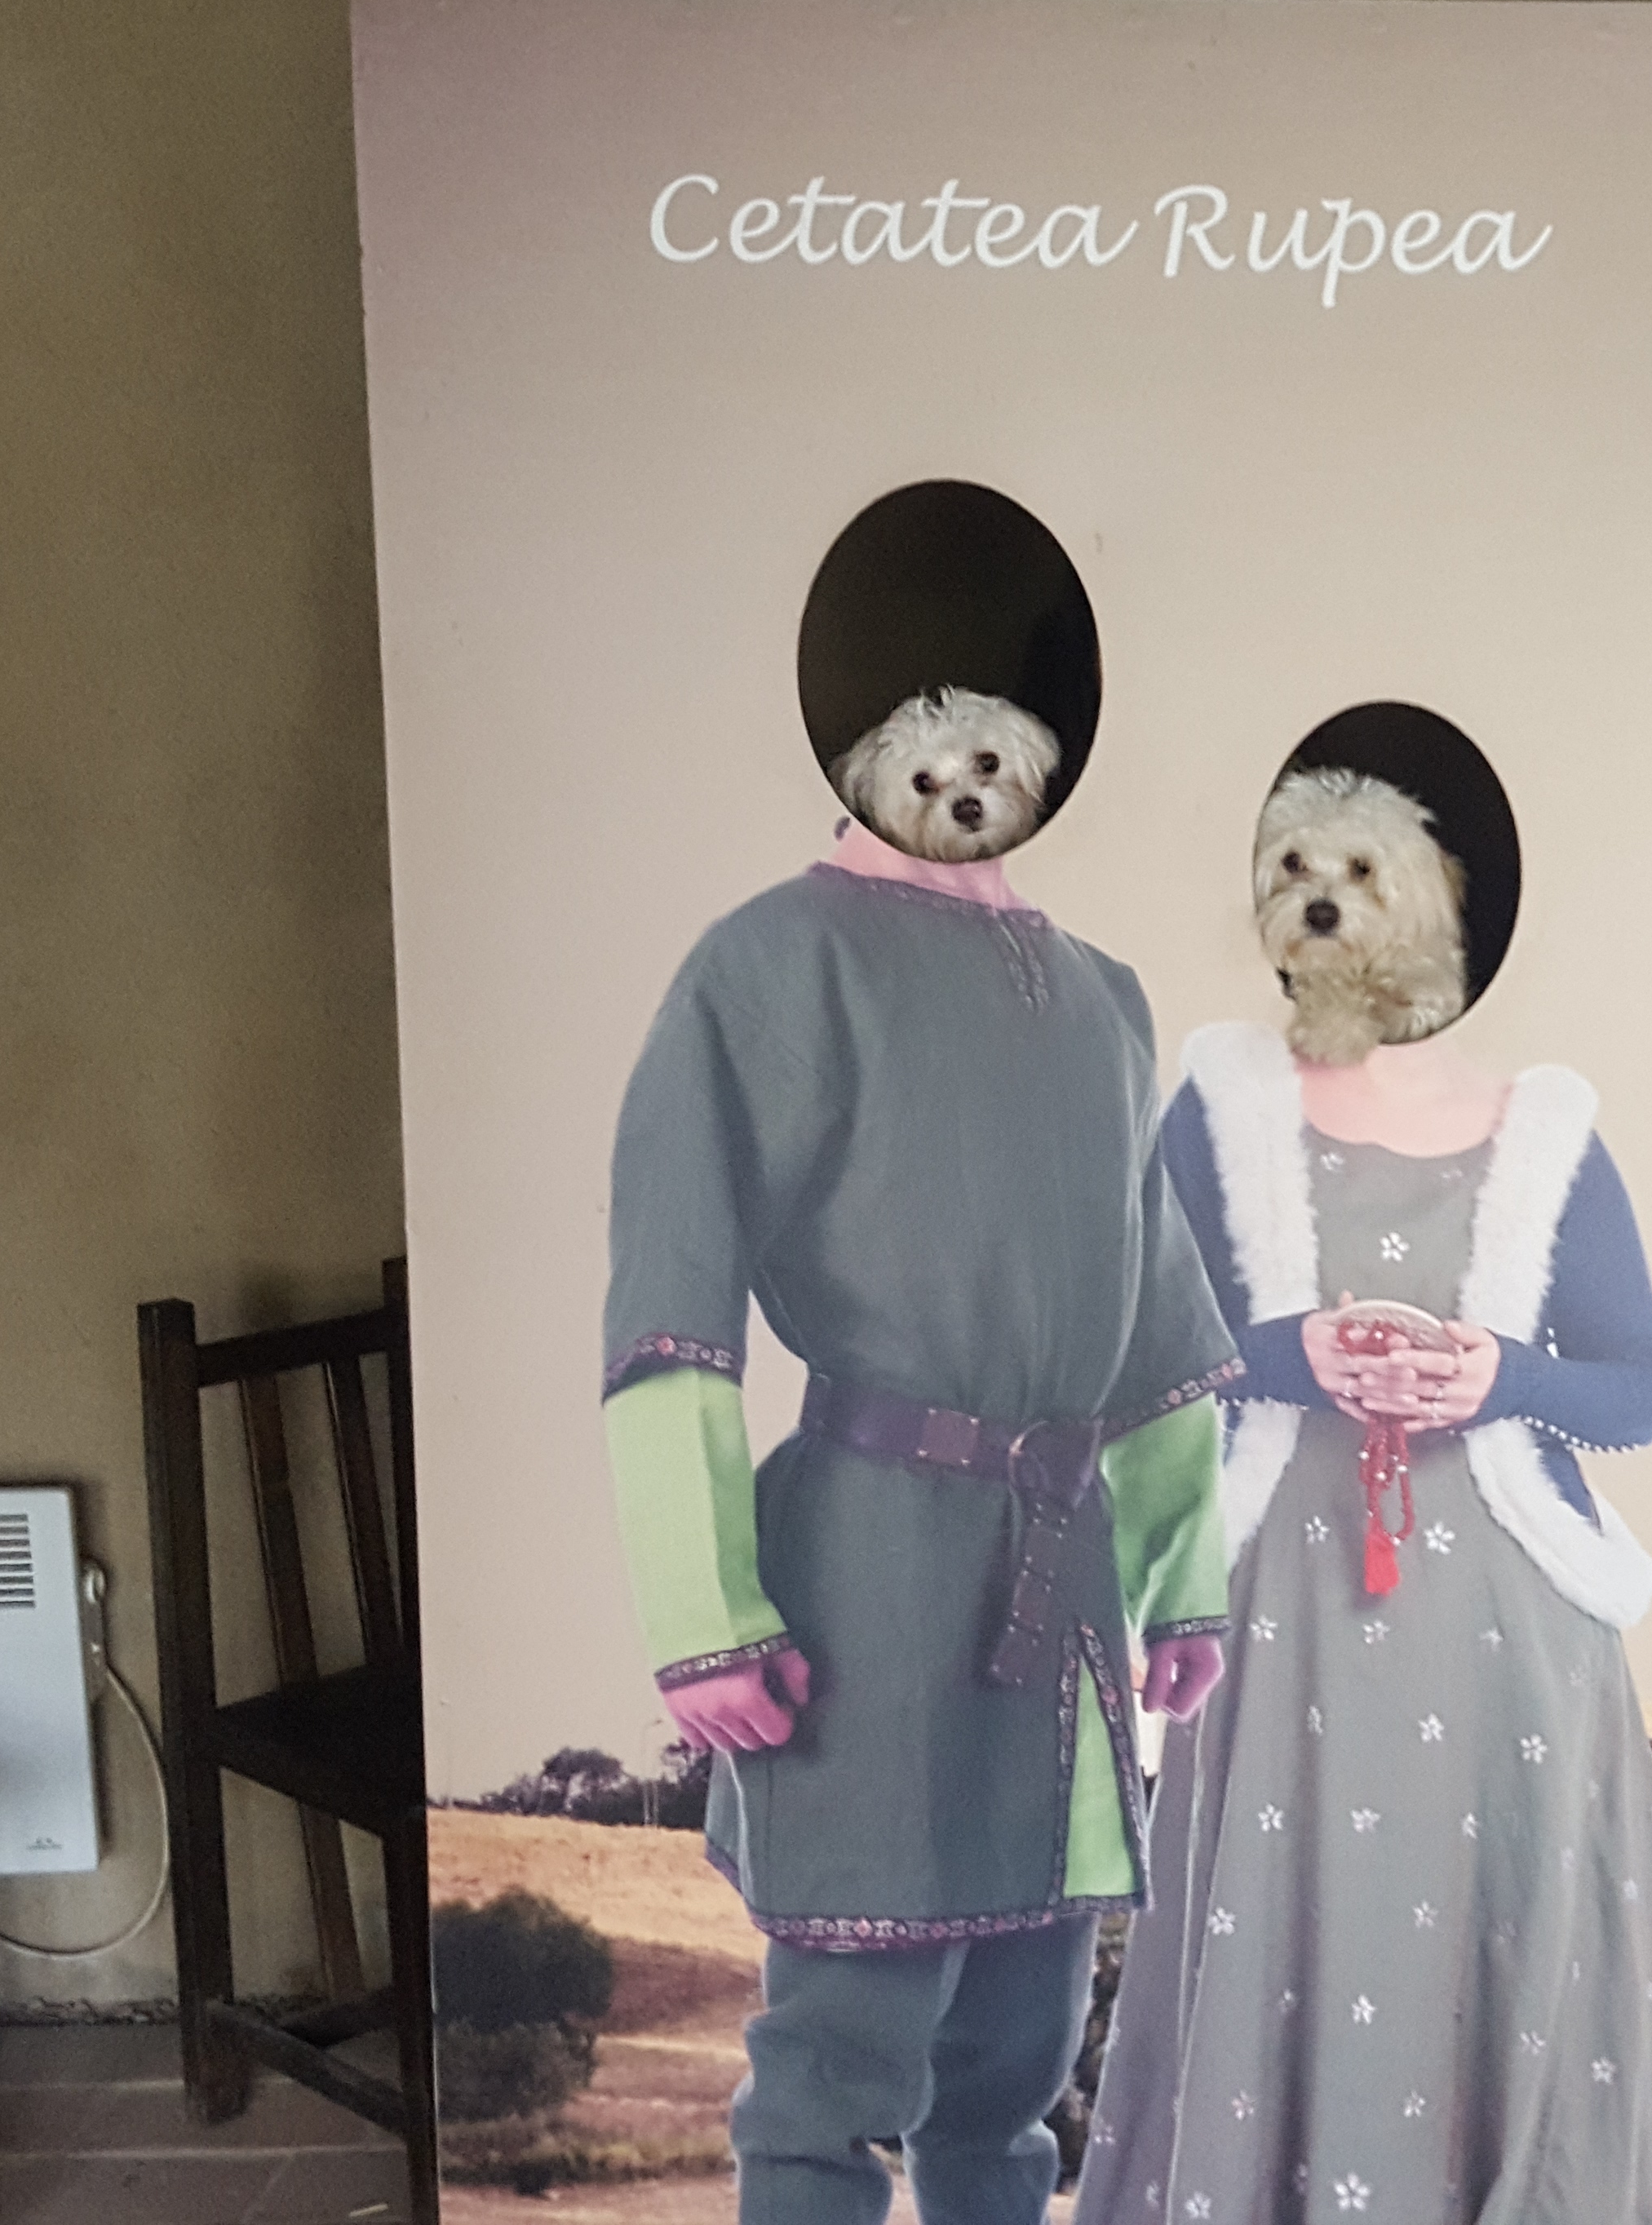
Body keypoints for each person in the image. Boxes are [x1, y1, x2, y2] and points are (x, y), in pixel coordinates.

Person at [602, 485, 1238, 2225]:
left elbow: (1157, 1305)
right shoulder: (769, 965)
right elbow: (670, 1301)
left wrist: (1181, 1574)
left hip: (1061, 1584)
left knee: (1016, 2070)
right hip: (869, 1579)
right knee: (836, 2067)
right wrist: (703, 1611)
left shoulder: (1105, 997)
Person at [1085, 744, 1652, 2225]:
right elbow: (1125, 1348)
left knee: (1501, 1984)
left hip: (1510, 1642)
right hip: (1284, 1619)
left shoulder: (1546, 1136)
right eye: (1294, 870)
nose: (1320, 900)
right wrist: (1286, 1355)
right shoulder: (1221, 1109)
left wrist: (1502, 1377)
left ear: (1434, 902)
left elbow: (1639, 1389)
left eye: (1358, 873)